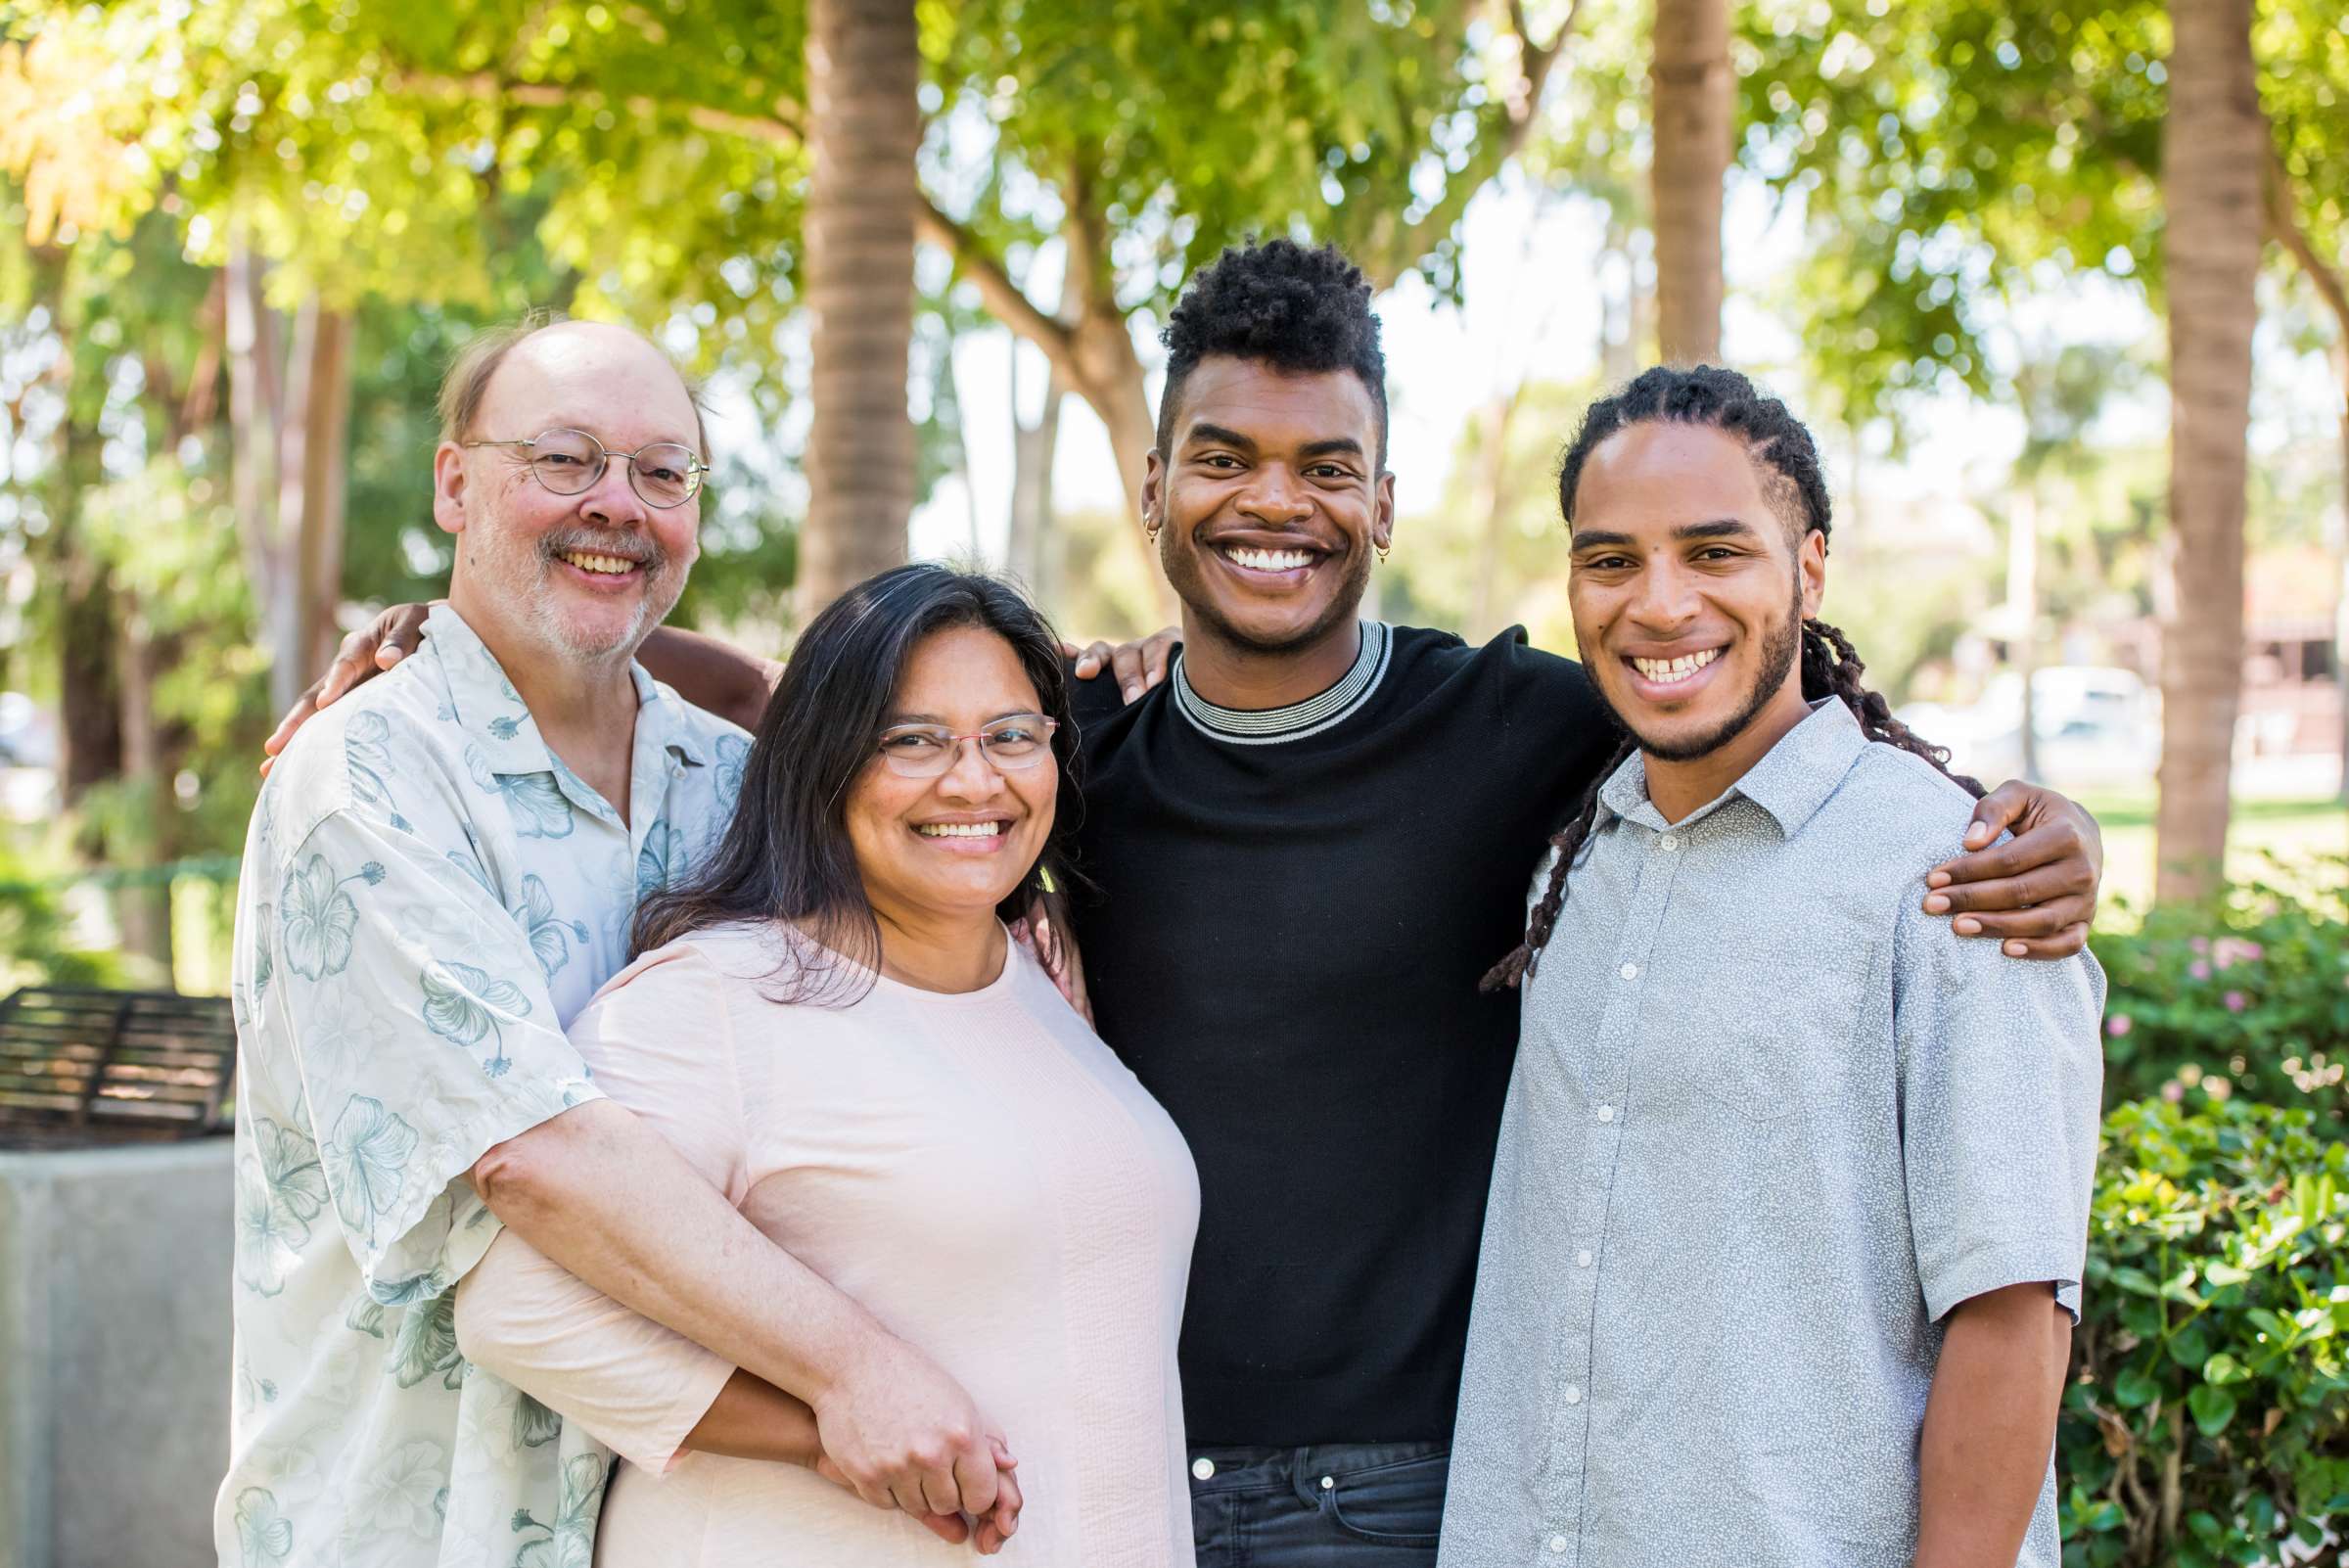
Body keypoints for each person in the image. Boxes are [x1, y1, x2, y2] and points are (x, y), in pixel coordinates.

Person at [277, 242, 2106, 1568]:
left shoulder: (1519, 722)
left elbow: (1747, 709)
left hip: (1412, 1488)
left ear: (1385, 500)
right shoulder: (1072, 748)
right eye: (1223, 458)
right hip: (1121, 1477)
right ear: (1153, 486)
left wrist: (2015, 821)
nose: (1273, 506)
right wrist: (466, 637)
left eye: (1325, 468)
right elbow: (872, 718)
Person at [220, 319, 1021, 1568]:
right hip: (413, 1524)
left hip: (683, 1529)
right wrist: (855, 1380)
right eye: (565, 459)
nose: (617, 507)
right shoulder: (367, 777)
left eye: (662, 474)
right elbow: (531, 1159)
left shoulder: (736, 785)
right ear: (453, 483)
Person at [1439, 366, 2102, 1568]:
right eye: (1610, 560)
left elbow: (2012, 1320)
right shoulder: (1576, 858)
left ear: (1809, 566)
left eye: (1714, 552)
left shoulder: (1958, 881)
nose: (1659, 603)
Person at [450, 564, 1199, 1566]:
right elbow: (516, 1307)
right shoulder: (718, 998)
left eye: (1012, 735)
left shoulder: (1040, 987)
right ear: (824, 764)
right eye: (913, 740)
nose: (975, 780)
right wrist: (832, 1426)